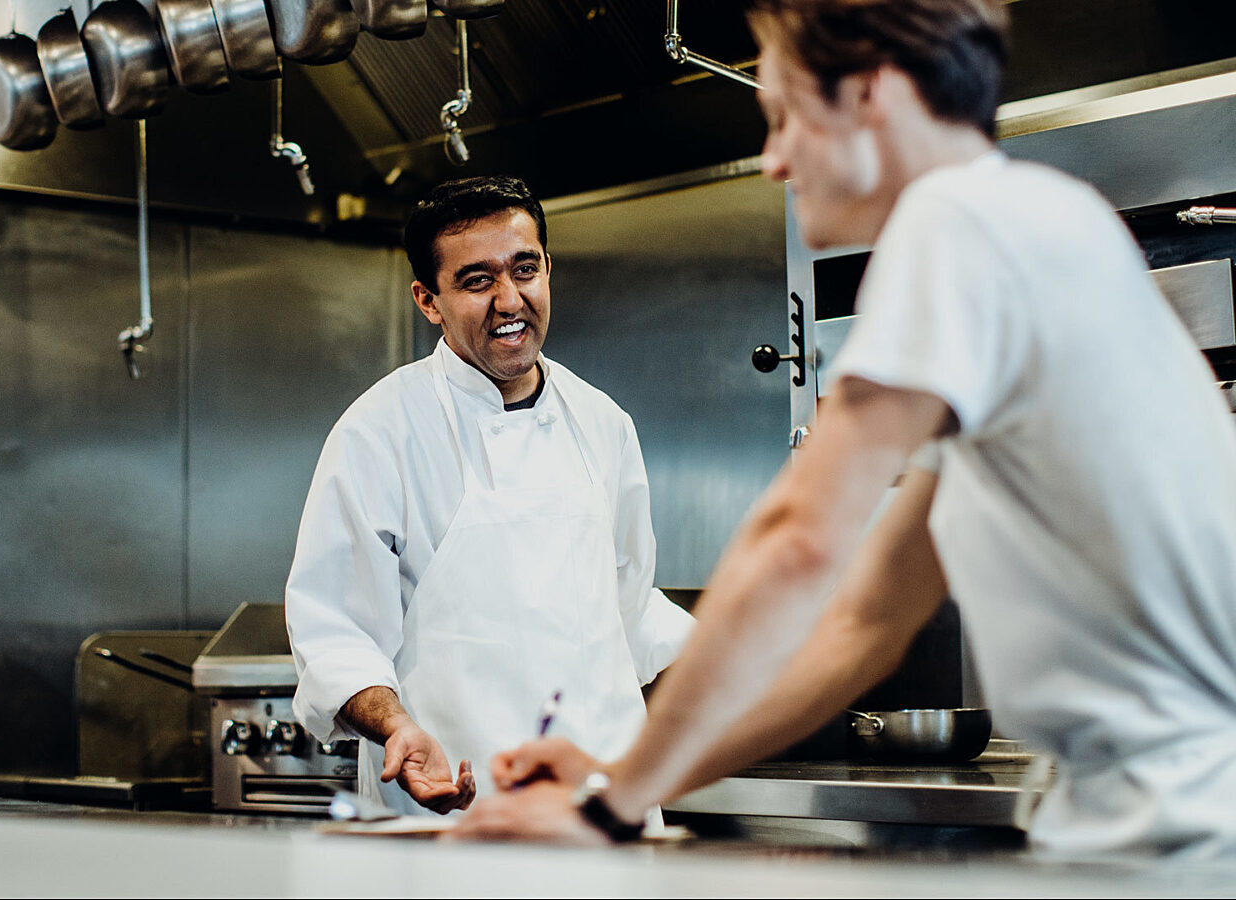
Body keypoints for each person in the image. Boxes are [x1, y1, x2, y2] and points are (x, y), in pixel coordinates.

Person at [454, 0, 1236, 858]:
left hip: (1183, 828)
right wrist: (621, 777)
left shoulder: (959, 223)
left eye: (786, 116)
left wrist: (606, 812)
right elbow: (865, 622)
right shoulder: (1036, 231)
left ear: (873, 92)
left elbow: (798, 542)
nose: (775, 158)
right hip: (1153, 818)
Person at [284, 176, 695, 816]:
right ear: (429, 300)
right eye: (477, 281)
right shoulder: (379, 430)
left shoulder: (602, 421)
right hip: (454, 808)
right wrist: (396, 727)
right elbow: (334, 631)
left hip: (603, 810)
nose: (510, 300)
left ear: (548, 270)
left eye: (525, 269)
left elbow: (628, 606)